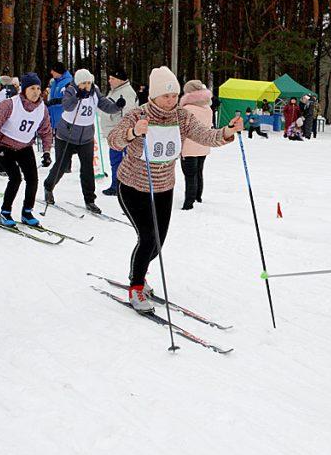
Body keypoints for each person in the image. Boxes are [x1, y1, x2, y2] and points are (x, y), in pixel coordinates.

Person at [107, 66, 242, 312]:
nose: (170, 100)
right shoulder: (139, 114)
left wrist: (228, 132)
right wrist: (133, 132)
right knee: (147, 237)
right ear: (154, 96)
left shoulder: (182, 116)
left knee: (158, 243)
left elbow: (205, 136)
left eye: (174, 95)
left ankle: (139, 272)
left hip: (163, 187)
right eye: (165, 95)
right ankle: (136, 287)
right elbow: (113, 140)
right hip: (133, 186)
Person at [42, 68, 122, 213]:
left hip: (86, 138)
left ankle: (90, 200)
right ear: (78, 83)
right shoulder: (71, 89)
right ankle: (48, 187)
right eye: (83, 83)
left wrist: (117, 106)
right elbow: (67, 105)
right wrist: (77, 96)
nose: (86, 86)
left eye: (88, 83)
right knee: (61, 165)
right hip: (67, 135)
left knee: (87, 169)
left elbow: (104, 103)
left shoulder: (94, 90)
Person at [0, 72, 53, 226]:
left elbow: (46, 131)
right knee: (15, 178)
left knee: (32, 179)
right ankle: (5, 212)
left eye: (38, 88)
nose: (36, 92)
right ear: (24, 90)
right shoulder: (10, 104)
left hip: (25, 147)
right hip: (4, 147)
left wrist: (47, 152)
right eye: (32, 88)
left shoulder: (42, 108)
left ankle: (27, 212)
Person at [100, 66, 138, 197]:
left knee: (119, 160)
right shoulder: (116, 91)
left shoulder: (126, 93)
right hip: (114, 132)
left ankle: (119, 186)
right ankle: (116, 185)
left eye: (112, 78)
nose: (109, 80)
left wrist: (123, 133)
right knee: (115, 159)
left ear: (120, 79)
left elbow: (127, 115)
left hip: (120, 134)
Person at [179, 80, 214, 210]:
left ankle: (188, 203)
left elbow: (181, 129)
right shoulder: (208, 108)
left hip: (189, 147)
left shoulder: (186, 109)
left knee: (189, 175)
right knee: (199, 172)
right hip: (203, 145)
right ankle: (198, 196)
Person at [45, 61, 72, 128]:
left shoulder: (68, 82)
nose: (51, 72)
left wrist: (54, 102)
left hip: (64, 122)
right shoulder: (54, 82)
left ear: (58, 71)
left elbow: (70, 100)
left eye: (53, 70)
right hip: (54, 121)